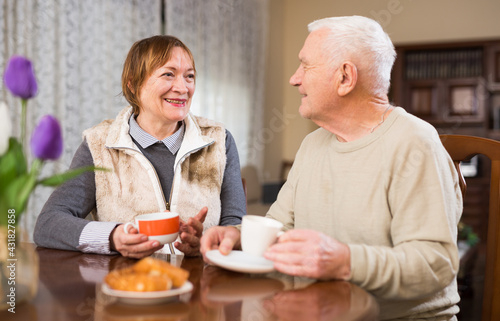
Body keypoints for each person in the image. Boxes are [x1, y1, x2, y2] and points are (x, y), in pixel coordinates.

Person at [200, 16, 463, 319]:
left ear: (345, 78)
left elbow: (435, 264)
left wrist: (345, 261)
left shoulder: (415, 142)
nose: (294, 78)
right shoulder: (313, 145)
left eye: (306, 66)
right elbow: (280, 227)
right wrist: (237, 237)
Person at [34, 35, 246, 258]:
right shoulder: (98, 144)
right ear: (133, 84)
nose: (183, 88)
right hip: (128, 285)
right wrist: (113, 237)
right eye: (168, 74)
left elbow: (236, 225)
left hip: (200, 285)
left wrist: (204, 242)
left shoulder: (218, 140)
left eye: (189, 76)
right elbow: (49, 223)